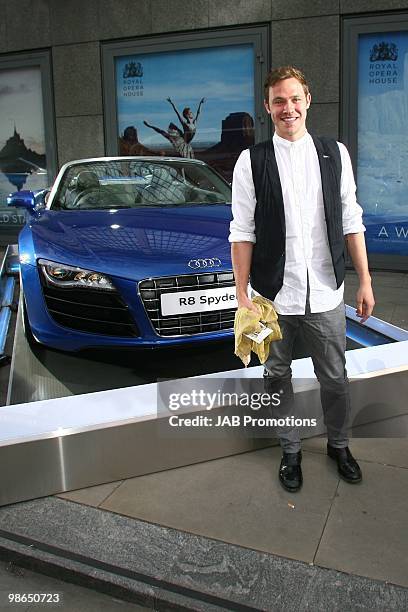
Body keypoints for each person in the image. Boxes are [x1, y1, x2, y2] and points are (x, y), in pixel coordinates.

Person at [229, 66, 375, 492]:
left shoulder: (335, 154)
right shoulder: (251, 160)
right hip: (274, 296)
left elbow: (352, 219)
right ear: (267, 107)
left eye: (294, 99)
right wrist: (242, 293)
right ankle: (290, 451)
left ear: (308, 99)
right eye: (278, 101)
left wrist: (365, 280)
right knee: (276, 376)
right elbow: (242, 230)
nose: (287, 108)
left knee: (335, 377)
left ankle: (339, 444)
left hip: (328, 291)